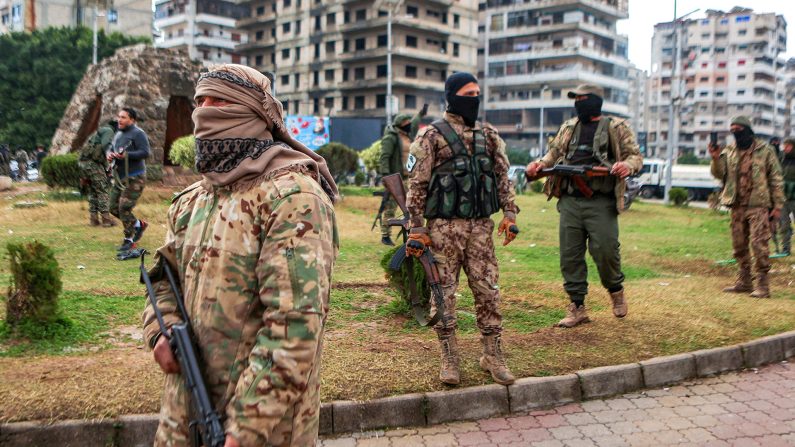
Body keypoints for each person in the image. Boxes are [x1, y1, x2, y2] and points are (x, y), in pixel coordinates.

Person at [142, 64, 339, 447]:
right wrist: (160, 331)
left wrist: (242, 431)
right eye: (200, 101)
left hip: (264, 430)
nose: (205, 112)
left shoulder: (293, 199)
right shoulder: (193, 201)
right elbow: (163, 280)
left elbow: (293, 330)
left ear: (255, 113)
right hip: (184, 417)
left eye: (221, 102)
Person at [405, 72, 519, 386]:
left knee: (488, 291)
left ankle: (492, 355)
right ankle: (449, 359)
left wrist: (510, 213)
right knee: (444, 295)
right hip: (443, 229)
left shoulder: (489, 134)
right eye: (469, 93)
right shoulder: (431, 136)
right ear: (453, 96)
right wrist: (416, 228)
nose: (475, 99)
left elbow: (502, 179)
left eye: (478, 93)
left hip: (481, 228)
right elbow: (417, 185)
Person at [526, 84, 642, 328]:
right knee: (570, 255)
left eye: (583, 98)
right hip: (570, 199)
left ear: (596, 101)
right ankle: (577, 307)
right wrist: (538, 164)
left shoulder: (616, 127)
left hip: (600, 200)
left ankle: (616, 290)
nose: (578, 102)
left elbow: (635, 156)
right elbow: (553, 154)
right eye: (575, 99)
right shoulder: (569, 127)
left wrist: (626, 166)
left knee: (606, 250)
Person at [709, 116, 784, 298]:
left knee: (759, 244)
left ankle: (763, 285)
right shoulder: (730, 150)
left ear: (748, 131)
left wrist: (778, 205)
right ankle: (744, 281)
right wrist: (715, 158)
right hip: (736, 205)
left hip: (758, 204)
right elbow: (720, 175)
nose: (736, 133)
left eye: (739, 130)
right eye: (732, 130)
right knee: (739, 245)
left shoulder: (764, 150)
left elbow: (776, 178)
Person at [378, 106, 426, 245]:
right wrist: (386, 176)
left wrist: (420, 114)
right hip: (395, 178)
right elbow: (384, 157)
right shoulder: (391, 138)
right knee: (391, 207)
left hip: (409, 177)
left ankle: (414, 232)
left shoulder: (407, 136)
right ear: (399, 125)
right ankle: (385, 235)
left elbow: (415, 123)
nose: (409, 125)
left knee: (413, 205)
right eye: (406, 124)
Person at [109, 107, 150, 252]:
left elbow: (145, 152)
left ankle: (129, 239)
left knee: (124, 207)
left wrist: (127, 155)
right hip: (120, 178)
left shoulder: (138, 134)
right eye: (119, 117)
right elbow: (111, 147)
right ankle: (139, 225)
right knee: (112, 208)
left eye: (123, 117)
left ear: (132, 120)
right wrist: (110, 154)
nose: (119, 119)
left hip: (135, 177)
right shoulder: (119, 133)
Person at [78, 121, 117, 227]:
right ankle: (106, 220)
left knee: (93, 191)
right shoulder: (109, 131)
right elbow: (105, 146)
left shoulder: (98, 133)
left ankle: (94, 219)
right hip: (93, 164)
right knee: (102, 190)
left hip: (84, 164)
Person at [779, 138, 795, 255]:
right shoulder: (781, 159)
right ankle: (785, 248)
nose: (785, 148)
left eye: (788, 146)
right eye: (784, 146)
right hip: (783, 198)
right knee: (784, 225)